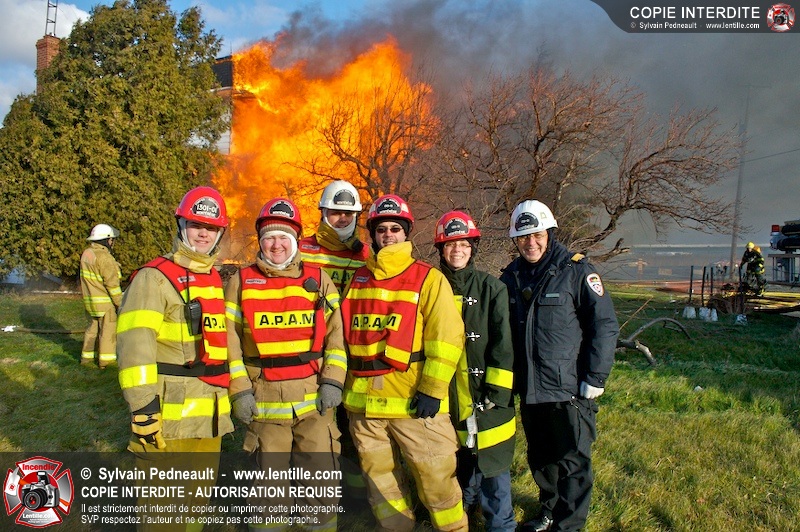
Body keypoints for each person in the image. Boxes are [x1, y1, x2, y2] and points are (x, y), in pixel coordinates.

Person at [117, 186, 248, 530]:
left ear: (220, 233)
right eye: (196, 225)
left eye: (211, 228)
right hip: (167, 418)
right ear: (181, 225)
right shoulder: (153, 277)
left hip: (208, 418)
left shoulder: (212, 278)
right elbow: (135, 346)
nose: (203, 233)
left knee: (195, 507)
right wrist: (143, 407)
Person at [341, 194, 468, 532]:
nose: (388, 235)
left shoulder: (428, 279)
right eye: (381, 229)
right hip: (364, 406)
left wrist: (432, 389)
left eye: (395, 228)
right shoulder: (358, 279)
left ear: (406, 232)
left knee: (437, 481)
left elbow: (447, 338)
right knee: (381, 485)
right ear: (372, 234)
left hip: (414, 404)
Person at [224, 198, 346, 532]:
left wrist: (333, 381)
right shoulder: (241, 282)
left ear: (295, 241)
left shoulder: (319, 280)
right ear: (260, 241)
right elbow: (229, 342)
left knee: (320, 481)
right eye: (269, 238)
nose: (276, 245)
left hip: (313, 401)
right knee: (268, 487)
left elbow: (336, 336)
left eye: (283, 237)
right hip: (263, 401)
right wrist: (239, 391)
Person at [499, 200, 619, 532]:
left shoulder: (577, 271)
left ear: (549, 233)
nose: (531, 243)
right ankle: (549, 511)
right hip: (530, 388)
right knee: (541, 458)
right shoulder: (511, 276)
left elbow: (604, 325)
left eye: (537, 235)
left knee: (573, 460)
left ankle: (569, 525)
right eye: (523, 237)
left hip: (569, 389)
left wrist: (595, 376)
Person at [434, 211, 517, 532]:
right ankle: (464, 515)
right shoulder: (431, 287)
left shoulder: (491, 288)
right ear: (441, 249)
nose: (458, 250)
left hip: (488, 398)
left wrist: (497, 392)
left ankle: (502, 526)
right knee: (459, 464)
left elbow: (503, 343)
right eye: (450, 244)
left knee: (494, 470)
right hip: (447, 397)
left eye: (464, 245)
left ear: (473, 249)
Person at [298, 180, 371, 504]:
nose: (342, 219)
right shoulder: (301, 250)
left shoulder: (365, 256)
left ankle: (354, 499)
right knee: (314, 428)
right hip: (312, 353)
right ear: (322, 212)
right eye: (335, 212)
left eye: (348, 214)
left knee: (351, 428)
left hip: (352, 353)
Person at [80, 223, 122, 368]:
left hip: (90, 302)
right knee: (107, 333)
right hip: (105, 304)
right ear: (106, 240)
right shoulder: (104, 257)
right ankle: (106, 362)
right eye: (111, 239)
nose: (112, 242)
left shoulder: (87, 254)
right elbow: (112, 285)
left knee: (91, 331)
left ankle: (86, 358)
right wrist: (120, 304)